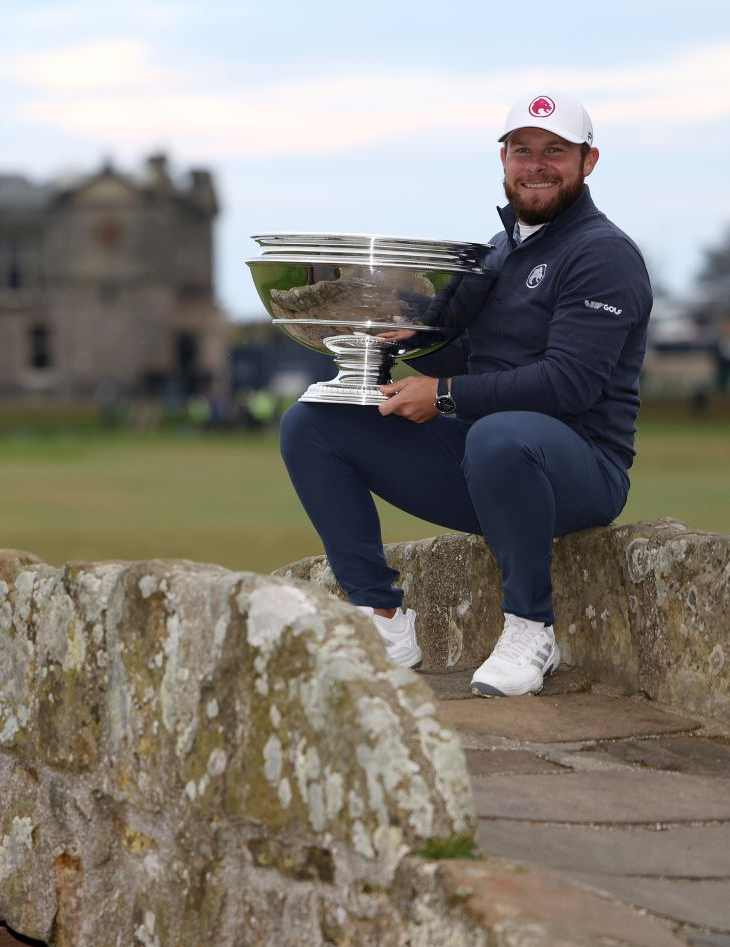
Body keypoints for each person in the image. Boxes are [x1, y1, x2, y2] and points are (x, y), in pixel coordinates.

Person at [279, 92, 651, 696]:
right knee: (313, 421)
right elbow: (469, 359)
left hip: (577, 472)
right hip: (484, 464)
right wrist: (391, 345)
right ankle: (381, 618)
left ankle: (531, 628)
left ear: (589, 160)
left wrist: (444, 394)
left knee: (501, 435)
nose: (537, 165)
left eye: (555, 151)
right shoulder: (499, 252)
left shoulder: (603, 255)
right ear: (502, 160)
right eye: (522, 150)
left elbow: (569, 383)